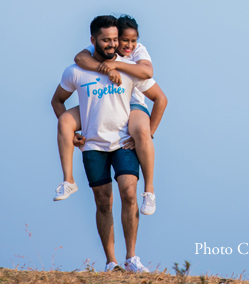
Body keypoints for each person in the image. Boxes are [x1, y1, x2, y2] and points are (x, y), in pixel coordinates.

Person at [51, 15, 168, 273]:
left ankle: (132, 258)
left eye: (115, 39)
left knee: (129, 193)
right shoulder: (76, 70)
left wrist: (147, 134)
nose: (113, 44)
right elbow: (57, 100)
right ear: (93, 40)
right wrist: (71, 133)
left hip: (123, 142)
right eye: (106, 40)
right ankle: (111, 262)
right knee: (103, 202)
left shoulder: (129, 67)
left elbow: (159, 96)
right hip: (93, 145)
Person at [53, 15, 157, 216]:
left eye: (116, 39)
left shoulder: (135, 51)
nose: (123, 44)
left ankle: (149, 191)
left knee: (142, 133)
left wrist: (116, 66)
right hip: (100, 108)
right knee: (65, 121)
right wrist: (107, 70)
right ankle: (68, 180)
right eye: (119, 40)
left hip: (132, 105)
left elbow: (148, 73)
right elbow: (79, 58)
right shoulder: (93, 56)